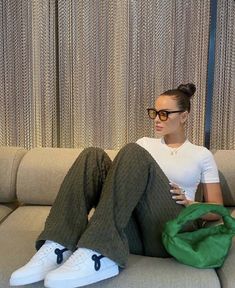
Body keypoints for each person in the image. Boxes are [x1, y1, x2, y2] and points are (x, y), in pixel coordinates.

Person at [10, 83, 223, 288]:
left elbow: (217, 211)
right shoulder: (145, 144)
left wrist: (189, 203)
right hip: (136, 235)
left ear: (184, 116)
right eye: (154, 112)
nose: (157, 119)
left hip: (172, 230)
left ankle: (98, 248)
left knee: (132, 151)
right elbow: (119, 189)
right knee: (92, 155)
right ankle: (58, 246)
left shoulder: (201, 155)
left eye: (164, 114)